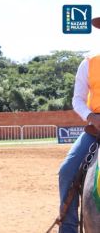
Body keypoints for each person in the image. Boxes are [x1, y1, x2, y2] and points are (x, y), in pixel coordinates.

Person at [58, 17, 100, 233]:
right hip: (96, 130)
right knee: (67, 170)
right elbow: (77, 99)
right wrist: (92, 117)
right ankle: (68, 226)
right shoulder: (89, 62)